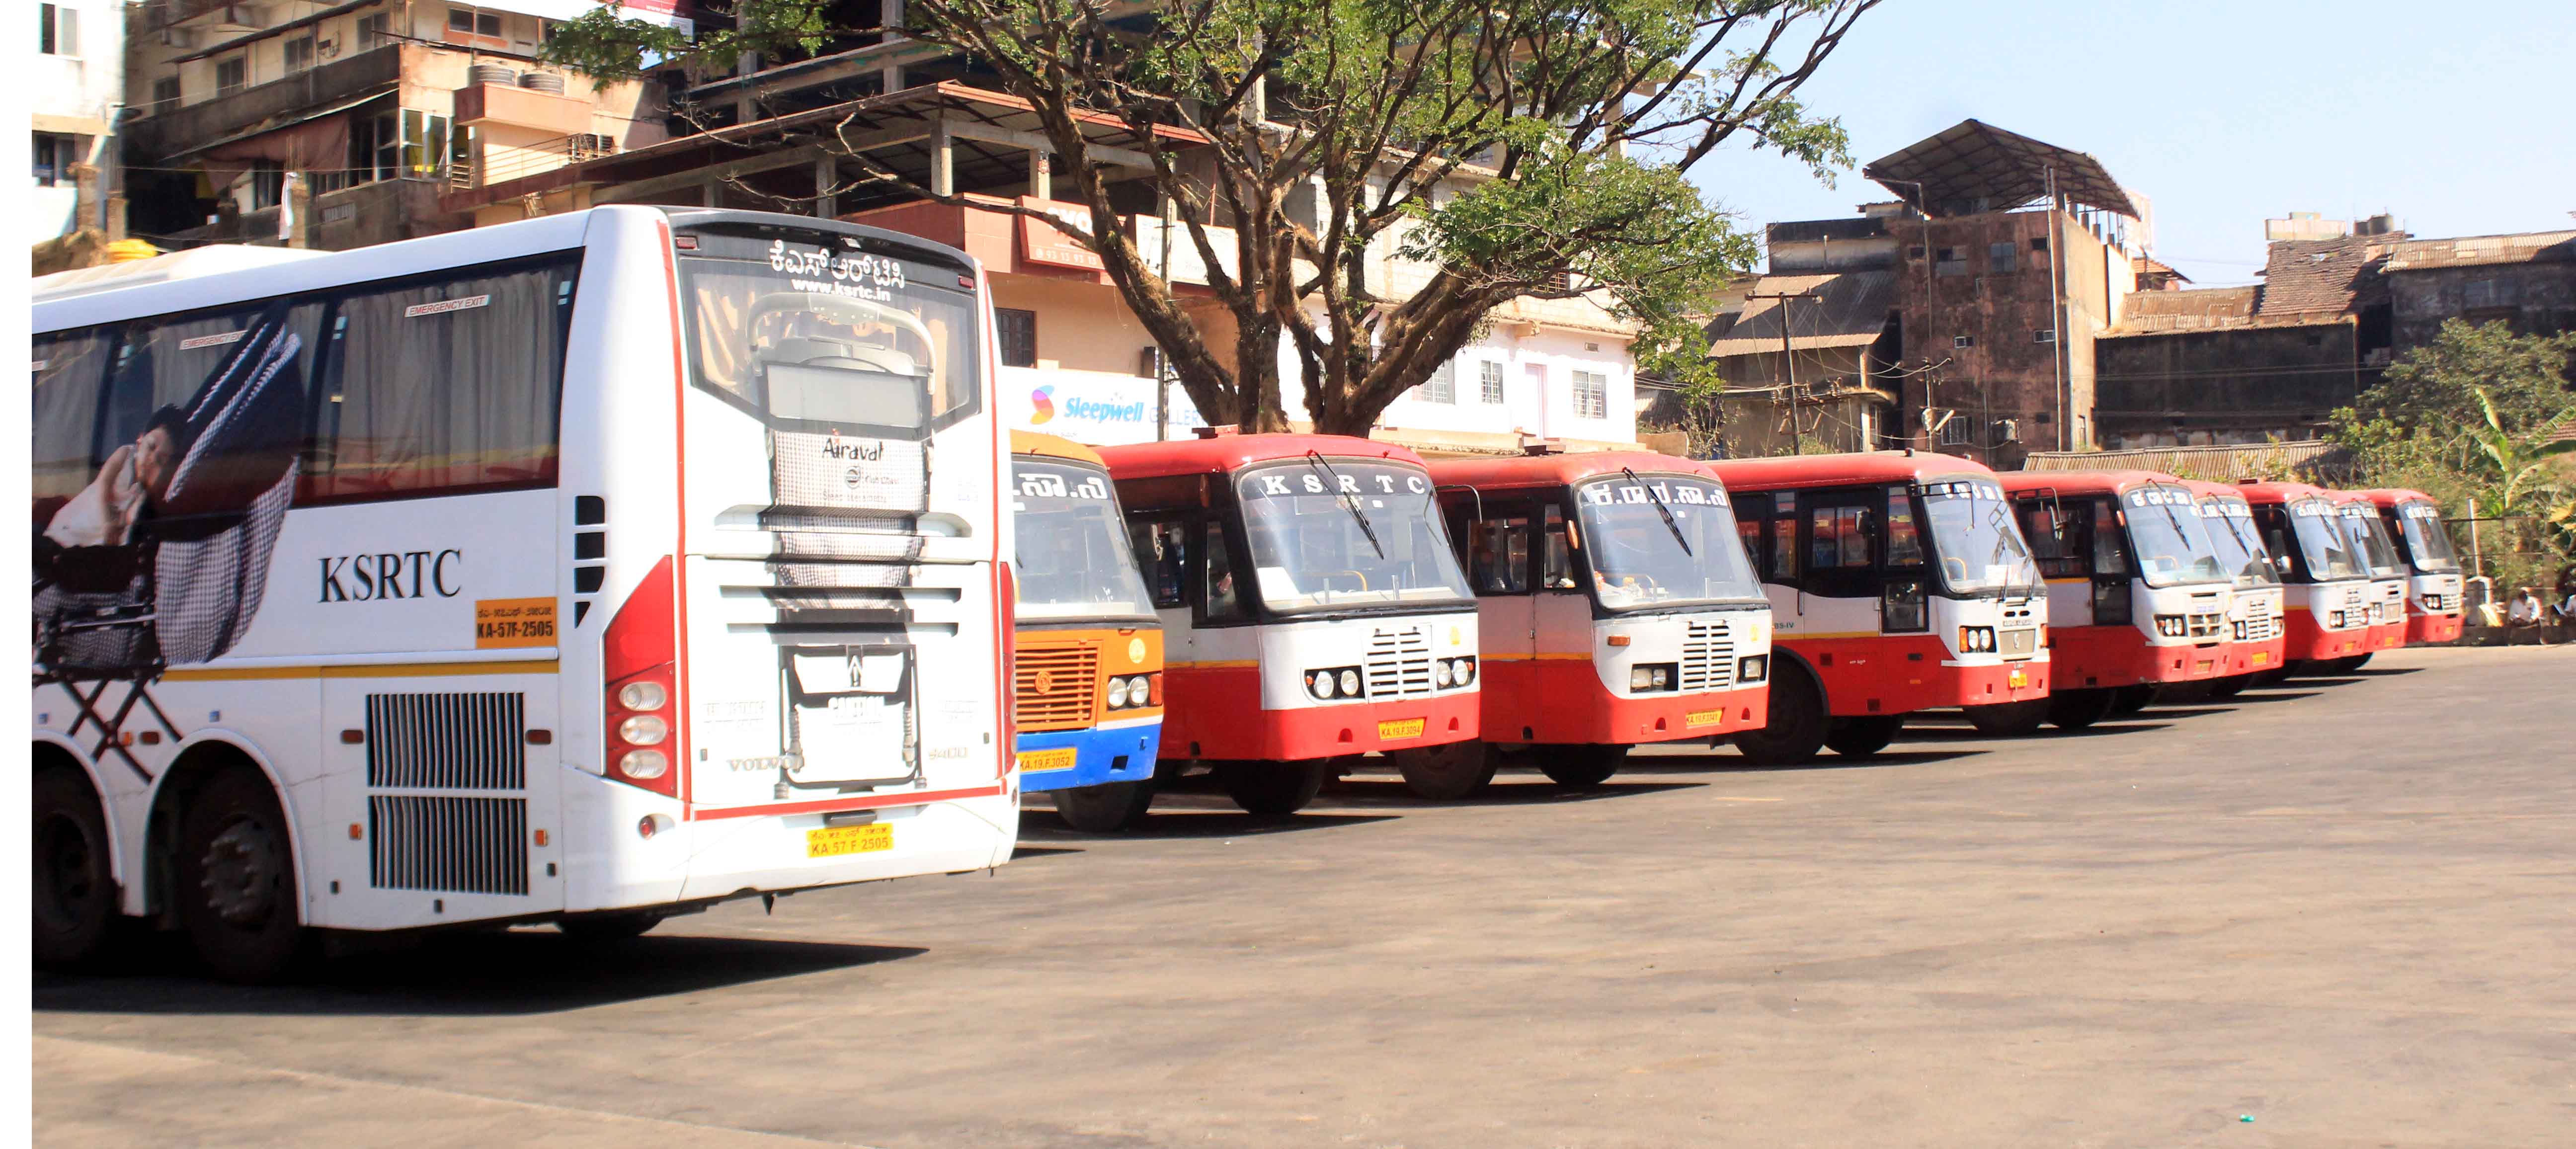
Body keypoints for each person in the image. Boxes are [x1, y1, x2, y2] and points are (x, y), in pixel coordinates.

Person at [42, 407, 192, 551]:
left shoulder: (147, 493)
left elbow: (131, 521)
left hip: (98, 539)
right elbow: (104, 483)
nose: (152, 460)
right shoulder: (125, 454)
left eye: (160, 460)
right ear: (140, 440)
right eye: (151, 447)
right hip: (85, 516)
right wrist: (107, 522)